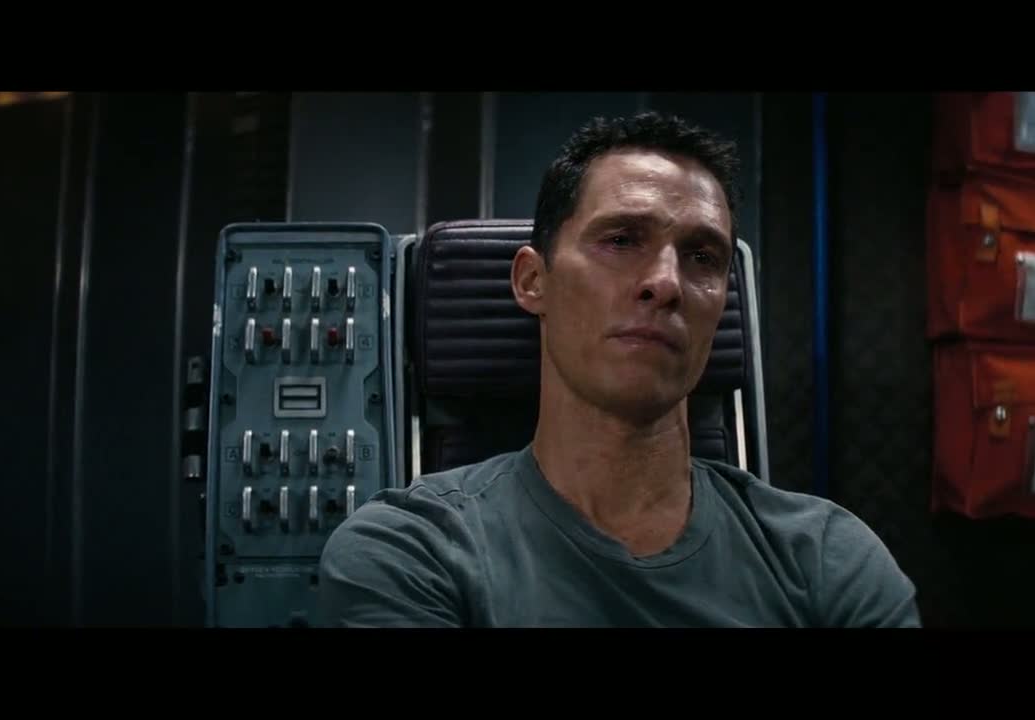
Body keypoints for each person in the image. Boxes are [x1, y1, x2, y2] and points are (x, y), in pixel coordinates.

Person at [317, 111, 921, 627]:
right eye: (622, 240)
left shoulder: (827, 558)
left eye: (702, 256)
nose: (666, 282)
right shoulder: (411, 551)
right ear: (533, 281)